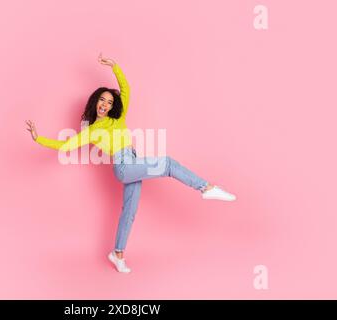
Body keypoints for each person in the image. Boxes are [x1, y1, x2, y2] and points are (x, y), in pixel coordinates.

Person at [26, 53, 236, 273]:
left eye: (109, 102)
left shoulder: (118, 117)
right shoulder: (91, 130)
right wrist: (38, 138)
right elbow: (66, 146)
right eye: (102, 100)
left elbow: (126, 90)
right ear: (95, 101)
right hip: (123, 166)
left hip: (133, 161)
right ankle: (206, 187)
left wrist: (115, 67)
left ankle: (117, 253)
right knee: (166, 163)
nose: (105, 104)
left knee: (130, 211)